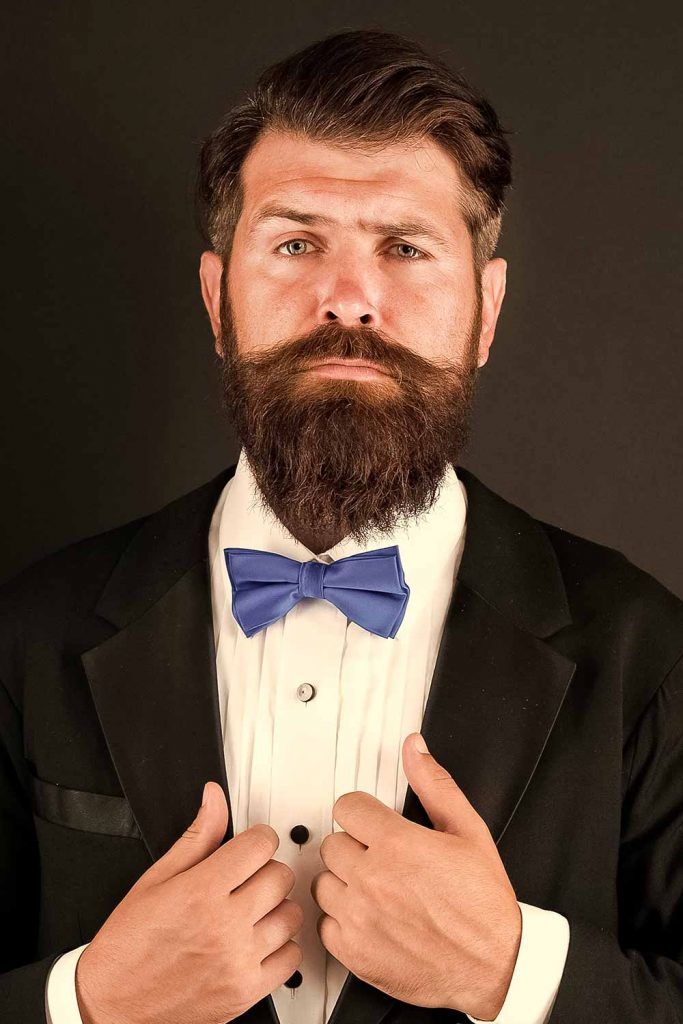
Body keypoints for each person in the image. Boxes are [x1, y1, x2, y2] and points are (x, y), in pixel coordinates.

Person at [1, 26, 681, 1024]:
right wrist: (87, 1002)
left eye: (403, 248)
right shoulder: (28, 634)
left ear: (485, 313)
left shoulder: (648, 653)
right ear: (215, 300)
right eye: (293, 242)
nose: (348, 299)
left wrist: (517, 974)